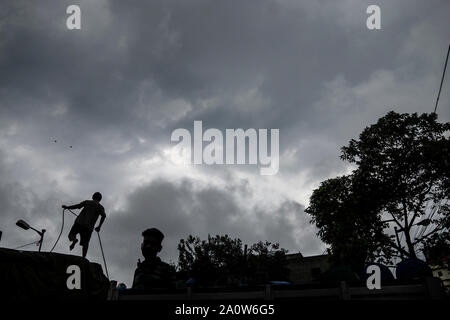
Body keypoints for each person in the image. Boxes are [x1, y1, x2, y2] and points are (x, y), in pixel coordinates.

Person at [62, 192, 106, 258]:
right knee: (85, 243)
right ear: (100, 199)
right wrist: (99, 226)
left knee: (71, 235)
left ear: (93, 197)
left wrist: (68, 207)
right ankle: (83, 257)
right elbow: (104, 216)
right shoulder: (100, 207)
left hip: (79, 223)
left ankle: (74, 240)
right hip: (88, 227)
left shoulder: (87, 202)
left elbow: (77, 206)